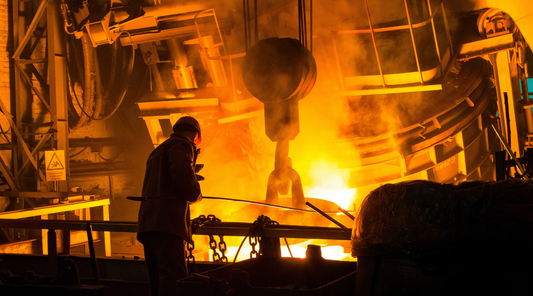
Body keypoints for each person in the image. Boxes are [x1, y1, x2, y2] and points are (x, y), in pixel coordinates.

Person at [137, 116, 203, 296]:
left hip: (148, 225)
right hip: (167, 225)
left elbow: (164, 178)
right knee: (173, 279)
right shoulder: (182, 145)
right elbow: (185, 181)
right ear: (196, 136)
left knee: (157, 279)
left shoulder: (158, 150)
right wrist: (196, 192)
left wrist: (191, 172)